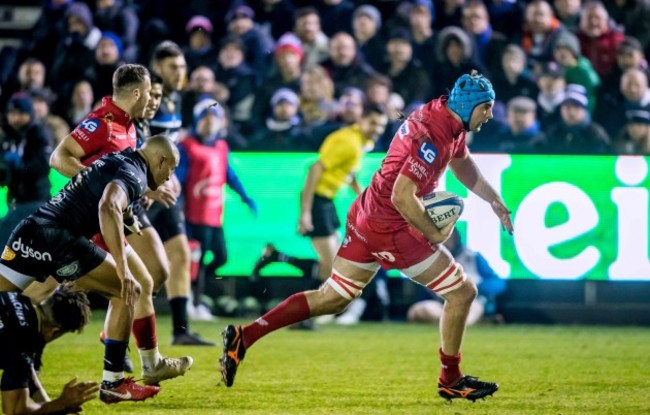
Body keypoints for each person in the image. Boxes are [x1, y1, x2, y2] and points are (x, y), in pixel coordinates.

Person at [220, 71, 514, 403]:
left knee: (333, 297)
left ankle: (244, 336)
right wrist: (434, 235)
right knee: (463, 292)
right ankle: (451, 378)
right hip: (392, 226)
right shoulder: (432, 135)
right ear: (468, 105)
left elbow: (462, 165)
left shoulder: (446, 116)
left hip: (367, 214)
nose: (489, 114)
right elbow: (404, 197)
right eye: (486, 107)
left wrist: (493, 198)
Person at [0, 135, 190, 403]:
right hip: (61, 239)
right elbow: (108, 205)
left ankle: (26, 371)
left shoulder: (120, 158)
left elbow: (104, 195)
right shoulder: (135, 174)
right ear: (160, 160)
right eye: (171, 168)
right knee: (128, 288)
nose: (170, 177)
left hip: (31, 231)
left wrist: (129, 218)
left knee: (1, 304)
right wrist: (123, 269)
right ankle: (113, 382)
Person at [252, 104, 389, 284]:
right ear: (361, 120)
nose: (377, 130)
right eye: (373, 123)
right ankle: (317, 306)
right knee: (334, 268)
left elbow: (350, 174)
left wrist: (368, 200)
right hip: (318, 202)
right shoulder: (348, 141)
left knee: (334, 266)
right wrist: (306, 213)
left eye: (381, 126)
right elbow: (315, 169)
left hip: (327, 203)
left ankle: (278, 257)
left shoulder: (362, 143)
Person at [133, 70, 213, 344]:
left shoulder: (173, 103)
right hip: (131, 200)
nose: (179, 73)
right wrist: (149, 187)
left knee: (177, 254)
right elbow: (111, 166)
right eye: (172, 66)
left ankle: (180, 330)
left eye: (182, 66)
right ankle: (117, 331)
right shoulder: (127, 120)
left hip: (159, 192)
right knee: (141, 272)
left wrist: (170, 178)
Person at [178, 100, 257, 320]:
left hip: (214, 216)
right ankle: (193, 302)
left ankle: (196, 295)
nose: (210, 121)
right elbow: (179, 179)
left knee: (221, 257)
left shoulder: (221, 147)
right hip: (194, 215)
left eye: (214, 117)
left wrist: (246, 199)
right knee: (198, 260)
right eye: (205, 117)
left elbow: (229, 176)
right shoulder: (187, 146)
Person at [0, 285, 98, 414]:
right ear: (54, 331)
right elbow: (15, 411)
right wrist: (61, 403)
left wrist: (51, 405)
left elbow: (25, 370)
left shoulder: (16, 296)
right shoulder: (23, 341)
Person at [407, 228, 506, 325]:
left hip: (470, 302)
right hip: (440, 304)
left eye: (449, 238)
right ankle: (449, 322)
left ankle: (463, 324)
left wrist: (476, 286)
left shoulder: (472, 257)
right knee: (419, 310)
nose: (446, 242)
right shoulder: (428, 259)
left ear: (456, 238)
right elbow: (421, 290)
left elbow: (498, 283)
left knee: (474, 308)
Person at [0, 93, 54, 246]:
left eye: (20, 113)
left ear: (29, 114)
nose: (15, 118)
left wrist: (18, 168)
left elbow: (43, 166)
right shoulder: (7, 137)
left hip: (36, 201)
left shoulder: (39, 133)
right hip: (15, 201)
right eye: (12, 113)